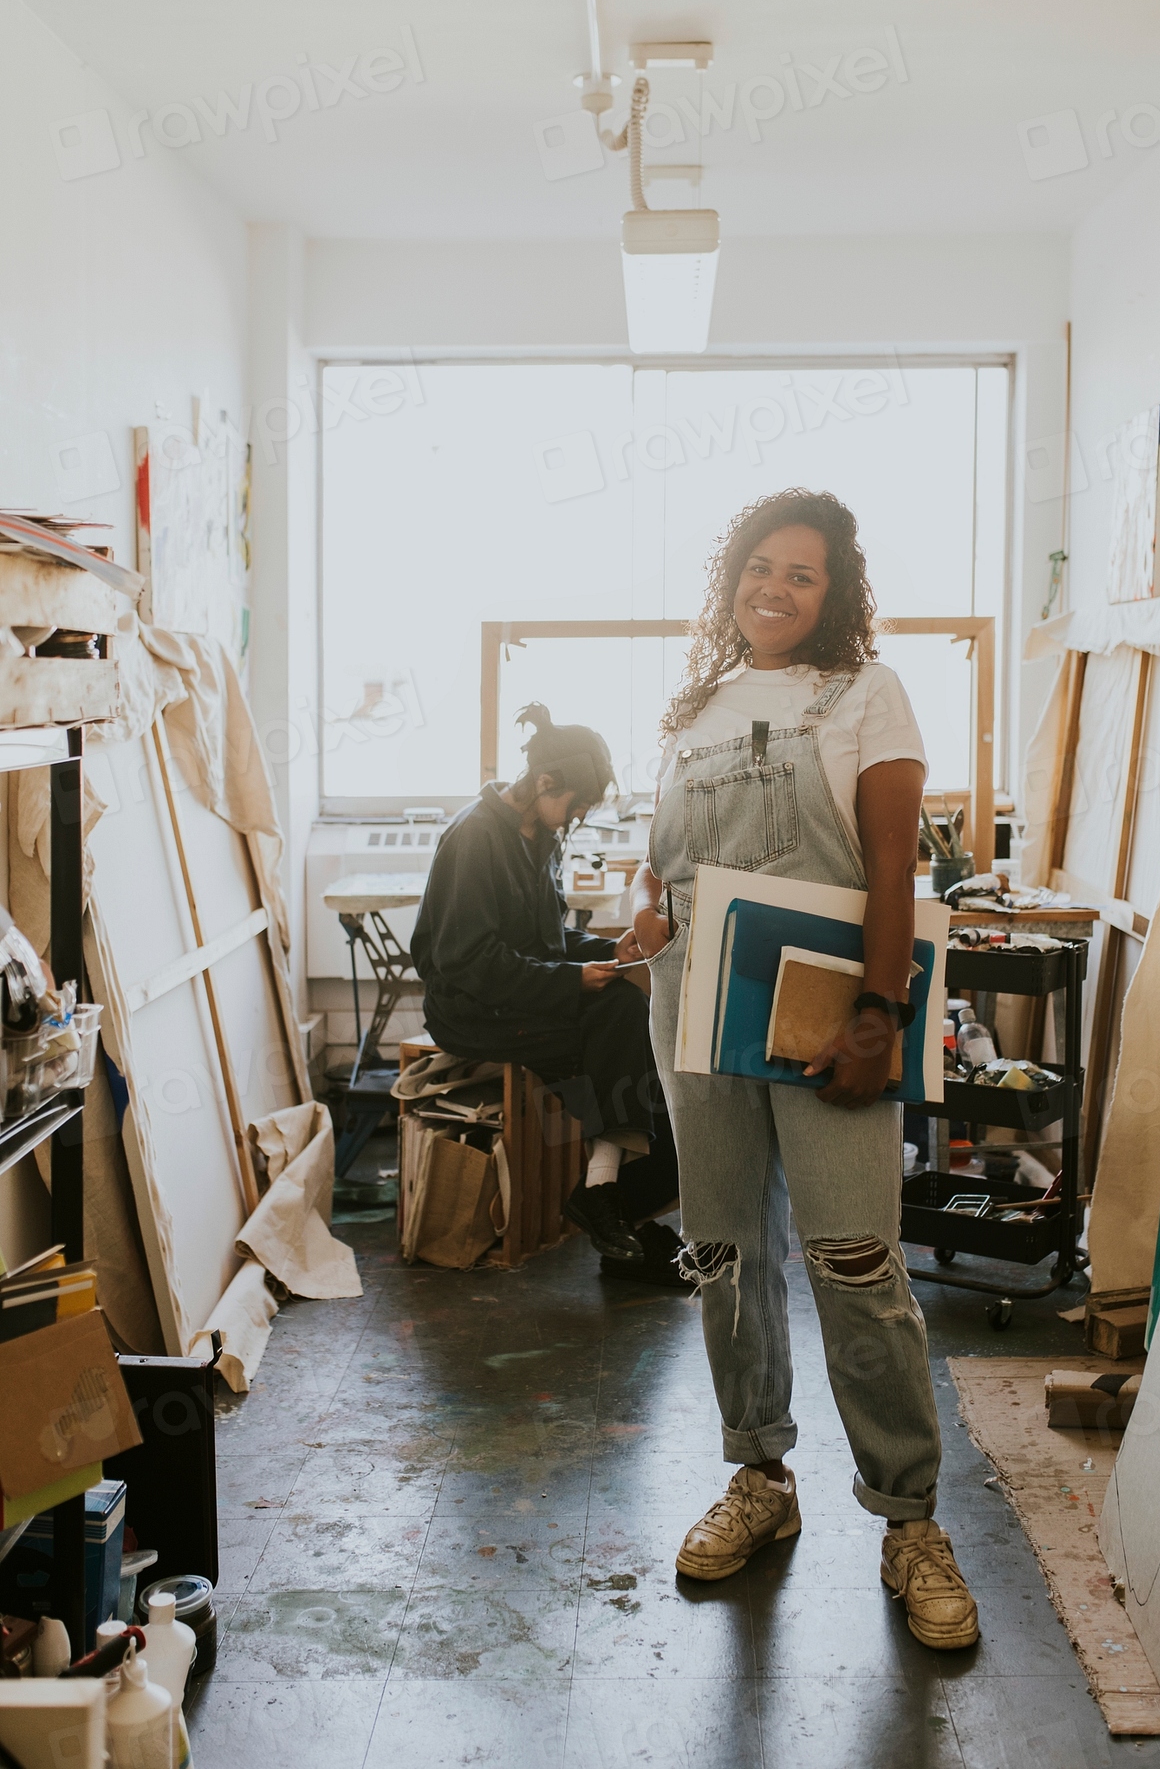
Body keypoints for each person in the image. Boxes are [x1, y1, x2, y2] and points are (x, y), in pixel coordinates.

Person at [629, 488, 979, 1650]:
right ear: (730, 575)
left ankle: (908, 1515)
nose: (773, 588)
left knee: (854, 1255)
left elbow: (890, 865)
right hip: (693, 1002)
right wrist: (640, 925)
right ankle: (759, 1479)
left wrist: (880, 1009)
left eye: (802, 574)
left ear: (835, 594)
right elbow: (660, 865)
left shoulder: (865, 691)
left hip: (828, 1005)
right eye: (758, 566)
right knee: (722, 1250)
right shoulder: (691, 704)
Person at [411, 703, 680, 1277]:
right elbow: (467, 961)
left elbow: (546, 937)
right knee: (620, 1019)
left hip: (513, 994)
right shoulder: (474, 838)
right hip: (468, 1008)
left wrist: (607, 952)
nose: (573, 819)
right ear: (543, 781)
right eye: (573, 806)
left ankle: (611, 1206)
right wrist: (569, 980)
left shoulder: (535, 833)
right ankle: (606, 1199)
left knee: (631, 1037)